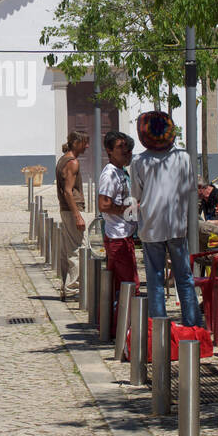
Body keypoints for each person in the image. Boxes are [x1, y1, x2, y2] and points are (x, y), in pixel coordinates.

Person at [129, 111, 200, 327]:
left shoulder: (138, 161)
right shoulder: (183, 158)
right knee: (184, 279)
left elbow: (136, 195)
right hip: (176, 225)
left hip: (151, 226)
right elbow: (190, 189)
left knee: (155, 280)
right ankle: (193, 325)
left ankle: (158, 328)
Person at [96, 131, 139, 318]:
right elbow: (104, 204)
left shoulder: (121, 172)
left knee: (119, 285)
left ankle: (114, 324)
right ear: (109, 151)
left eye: (126, 147)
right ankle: (127, 326)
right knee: (130, 285)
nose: (125, 151)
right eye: (120, 147)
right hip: (117, 236)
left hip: (124, 235)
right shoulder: (109, 175)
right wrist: (127, 209)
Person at [55, 130, 89, 299]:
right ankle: (73, 288)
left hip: (66, 209)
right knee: (79, 249)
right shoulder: (72, 162)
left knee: (67, 249)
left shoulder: (63, 160)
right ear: (76, 143)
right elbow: (68, 191)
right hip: (72, 208)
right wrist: (78, 215)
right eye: (85, 142)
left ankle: (66, 285)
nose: (87, 146)